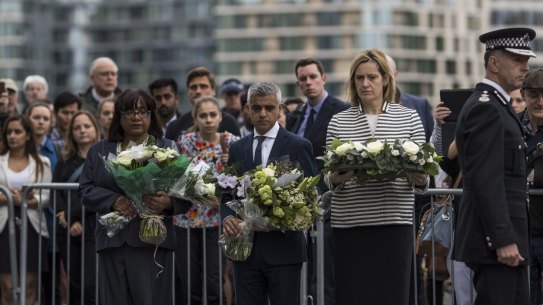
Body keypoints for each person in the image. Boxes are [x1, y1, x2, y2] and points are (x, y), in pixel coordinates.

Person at [325, 49, 427, 305]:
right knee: (353, 295)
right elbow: (326, 176)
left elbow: (425, 176)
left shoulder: (410, 117)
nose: (365, 83)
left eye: (371, 77)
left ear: (386, 79)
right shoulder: (338, 121)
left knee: (393, 295)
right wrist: (336, 178)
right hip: (350, 223)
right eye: (359, 78)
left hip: (395, 221)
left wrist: (420, 177)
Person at [78, 89, 193, 305]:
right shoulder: (100, 150)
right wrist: (113, 200)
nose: (137, 117)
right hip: (112, 241)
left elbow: (187, 194)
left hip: (153, 241)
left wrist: (167, 203)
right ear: (119, 117)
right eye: (129, 112)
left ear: (151, 116)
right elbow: (85, 190)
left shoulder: (167, 148)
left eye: (143, 111)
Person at [453, 27, 536, 305]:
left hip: (505, 241)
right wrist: (501, 239)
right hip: (497, 245)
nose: (525, 66)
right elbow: (485, 181)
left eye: (526, 60)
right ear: (494, 62)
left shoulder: (497, 106)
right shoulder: (486, 108)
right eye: (517, 59)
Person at [221, 81, 317, 305]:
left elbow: (312, 194)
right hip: (245, 250)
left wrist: (287, 216)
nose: (262, 113)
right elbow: (227, 194)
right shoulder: (237, 148)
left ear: (280, 108)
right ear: (247, 109)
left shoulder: (299, 145)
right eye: (256, 108)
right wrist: (227, 218)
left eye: (269, 108)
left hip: (284, 249)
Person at [286, 57, 350, 305]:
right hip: (298, 207)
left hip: (328, 204)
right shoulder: (297, 115)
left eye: (313, 77)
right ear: (298, 84)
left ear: (323, 78)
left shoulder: (341, 110)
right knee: (306, 270)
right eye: (303, 79)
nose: (308, 82)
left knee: (326, 273)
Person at [174, 96, 239, 305]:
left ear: (220, 117)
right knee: (190, 282)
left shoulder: (231, 141)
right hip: (186, 221)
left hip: (217, 221)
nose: (208, 119)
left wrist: (233, 162)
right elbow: (176, 179)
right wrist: (202, 194)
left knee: (214, 280)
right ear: (195, 117)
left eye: (213, 114)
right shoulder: (185, 142)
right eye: (203, 115)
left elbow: (243, 181)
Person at [0, 114, 52, 305]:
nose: (12, 136)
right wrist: (8, 198)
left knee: (30, 285)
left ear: (28, 135)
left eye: (18, 131)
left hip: (32, 226)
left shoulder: (42, 162)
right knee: (6, 286)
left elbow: (46, 196)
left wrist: (24, 200)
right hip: (2, 225)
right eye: (9, 132)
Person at [54, 110, 100, 305]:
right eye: (77, 127)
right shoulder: (65, 161)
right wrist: (67, 220)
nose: (82, 131)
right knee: (74, 285)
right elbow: (55, 192)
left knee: (90, 285)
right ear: (71, 132)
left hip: (93, 227)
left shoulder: (102, 158)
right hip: (67, 231)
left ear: (95, 129)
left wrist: (74, 216)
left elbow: (99, 193)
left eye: (87, 126)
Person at [517, 68, 543, 305]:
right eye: (534, 94)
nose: (540, 101)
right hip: (521, 231)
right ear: (524, 95)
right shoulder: (513, 126)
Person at [165, 67, 240, 140]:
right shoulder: (175, 126)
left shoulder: (230, 122)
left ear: (213, 90)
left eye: (203, 86)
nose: (198, 91)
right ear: (188, 92)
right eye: (193, 87)